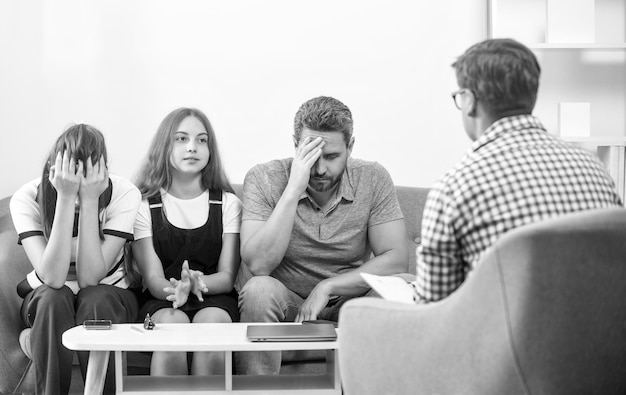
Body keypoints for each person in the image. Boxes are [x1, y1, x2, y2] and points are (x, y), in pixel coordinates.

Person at [414, 38, 622, 303]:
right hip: (602, 338)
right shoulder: (596, 169)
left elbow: (434, 307)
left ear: (469, 101)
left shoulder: (455, 185)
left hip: (509, 342)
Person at [237, 96, 409, 375]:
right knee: (258, 289)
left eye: (331, 157)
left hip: (348, 304)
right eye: (312, 155)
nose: (319, 169)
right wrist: (294, 188)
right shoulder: (264, 177)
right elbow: (258, 265)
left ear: (350, 147)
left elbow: (396, 258)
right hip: (288, 304)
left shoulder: (373, 178)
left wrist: (328, 287)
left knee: (403, 286)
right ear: (296, 146)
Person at [10, 124, 141, 395]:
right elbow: (53, 277)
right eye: (72, 172)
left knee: (96, 297)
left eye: (89, 172)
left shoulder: (124, 193)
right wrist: (66, 198)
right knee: (51, 296)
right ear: (54, 169)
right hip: (48, 298)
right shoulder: (27, 198)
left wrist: (90, 200)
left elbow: (90, 278)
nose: (81, 181)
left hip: (110, 295)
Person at [133, 107, 241, 376]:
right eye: (181, 139)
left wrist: (195, 283)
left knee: (213, 327)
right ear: (164, 146)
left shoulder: (228, 203)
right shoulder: (144, 205)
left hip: (215, 296)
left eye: (201, 140)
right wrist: (177, 288)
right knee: (172, 329)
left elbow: (227, 276)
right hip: (163, 299)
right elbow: (153, 278)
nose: (192, 147)